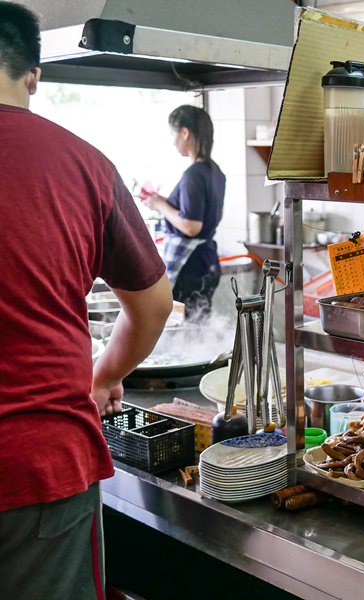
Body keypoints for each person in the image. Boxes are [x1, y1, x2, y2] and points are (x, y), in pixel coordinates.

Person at [0, 3, 174, 598]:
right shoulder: (82, 164)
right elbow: (152, 306)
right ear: (32, 76)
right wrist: (104, 376)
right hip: (39, 466)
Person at [140, 105, 226, 322]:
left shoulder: (193, 174)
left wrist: (159, 204)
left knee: (186, 330)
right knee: (199, 326)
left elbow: (191, 226)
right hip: (208, 261)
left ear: (185, 133)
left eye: (173, 134)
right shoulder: (215, 172)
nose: (173, 141)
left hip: (192, 266)